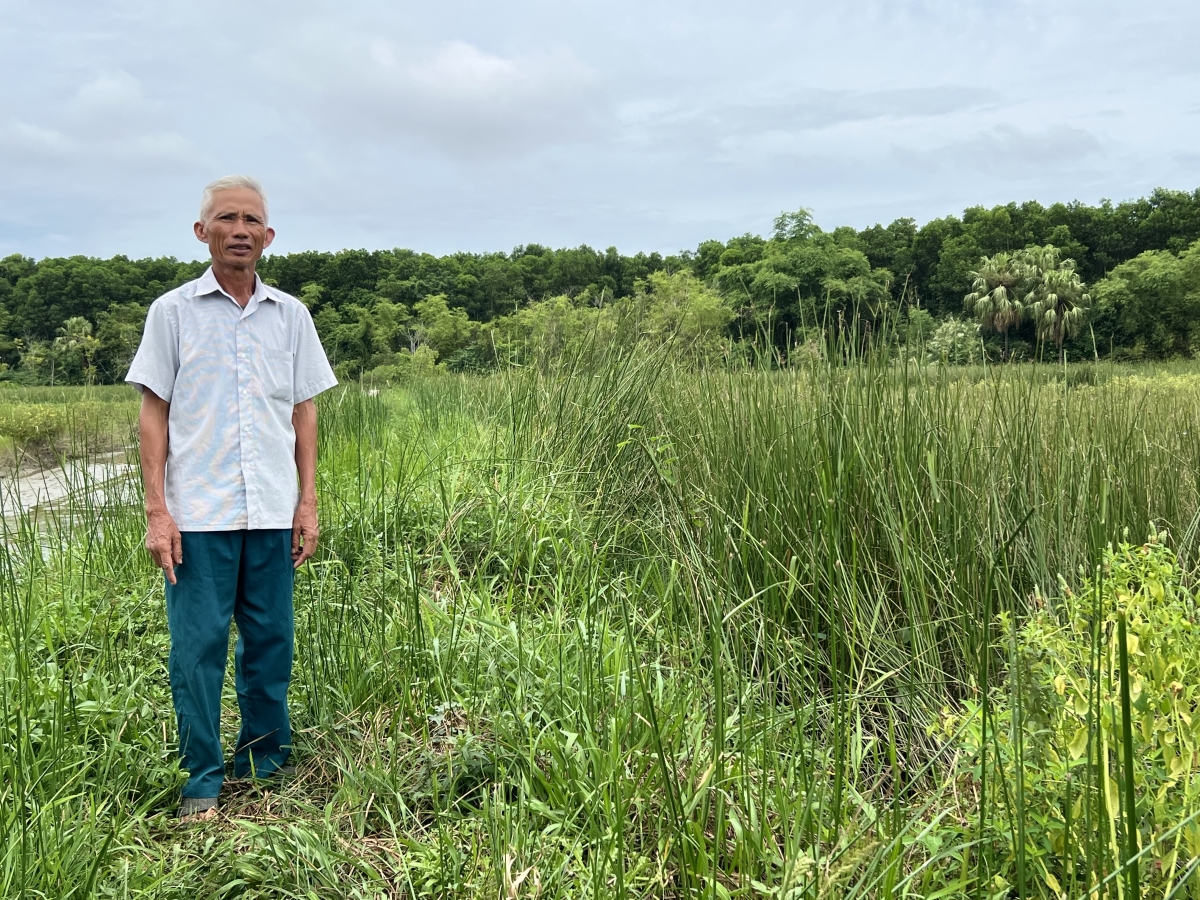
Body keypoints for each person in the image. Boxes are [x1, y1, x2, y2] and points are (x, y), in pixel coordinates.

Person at [126, 175, 337, 821]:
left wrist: (307, 503)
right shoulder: (173, 312)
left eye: (251, 220)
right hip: (199, 515)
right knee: (197, 650)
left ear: (267, 237)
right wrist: (158, 511)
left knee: (272, 640)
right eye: (226, 219)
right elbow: (152, 413)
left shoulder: (291, 316)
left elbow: (303, 413)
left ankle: (265, 763)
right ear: (203, 232)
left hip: (271, 509)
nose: (239, 229)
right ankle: (202, 779)